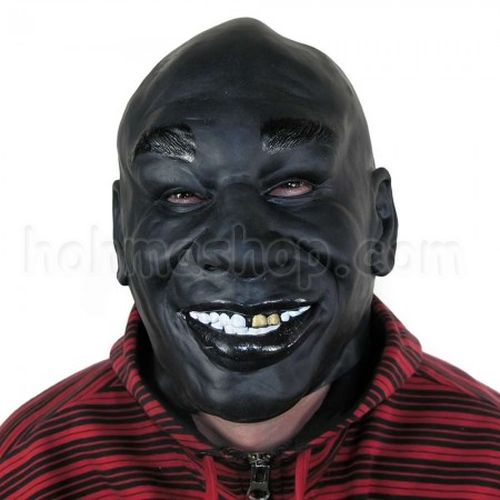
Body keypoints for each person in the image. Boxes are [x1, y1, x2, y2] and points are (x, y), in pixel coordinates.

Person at [1, 18, 499, 500]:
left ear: (381, 223)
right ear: (121, 235)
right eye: (180, 194)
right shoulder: (29, 471)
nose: (241, 252)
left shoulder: (486, 463)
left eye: (293, 185)